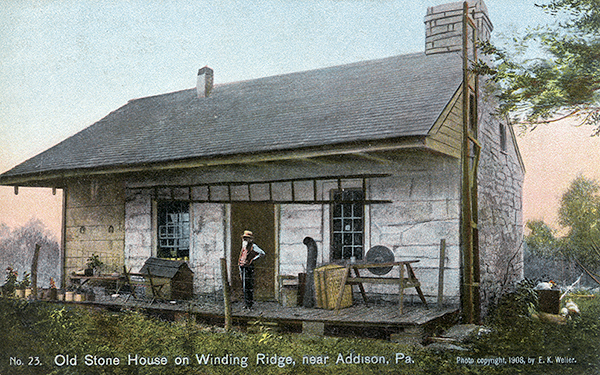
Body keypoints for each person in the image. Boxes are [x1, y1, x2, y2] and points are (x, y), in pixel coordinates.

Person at [238, 230, 265, 310]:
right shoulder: (244, 247)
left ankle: (249, 304)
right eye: (244, 238)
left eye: (247, 238)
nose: (245, 240)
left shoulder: (253, 246)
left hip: (248, 268)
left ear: (250, 239)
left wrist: (253, 259)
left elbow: (262, 253)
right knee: (244, 286)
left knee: (248, 286)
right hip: (242, 266)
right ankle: (246, 304)